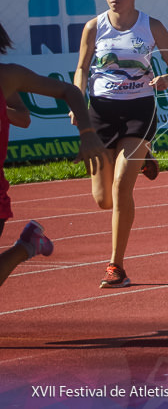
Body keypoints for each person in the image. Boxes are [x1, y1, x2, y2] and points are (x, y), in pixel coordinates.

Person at [74, 0, 168, 288]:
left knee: (123, 188)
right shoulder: (94, 27)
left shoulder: (152, 27)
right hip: (101, 112)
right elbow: (80, 69)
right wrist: (77, 104)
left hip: (140, 110)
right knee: (103, 199)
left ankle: (115, 266)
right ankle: (146, 156)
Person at [0, 22, 109, 288]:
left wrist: (87, 131)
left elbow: (68, 91)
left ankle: (24, 248)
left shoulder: (7, 77)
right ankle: (26, 245)